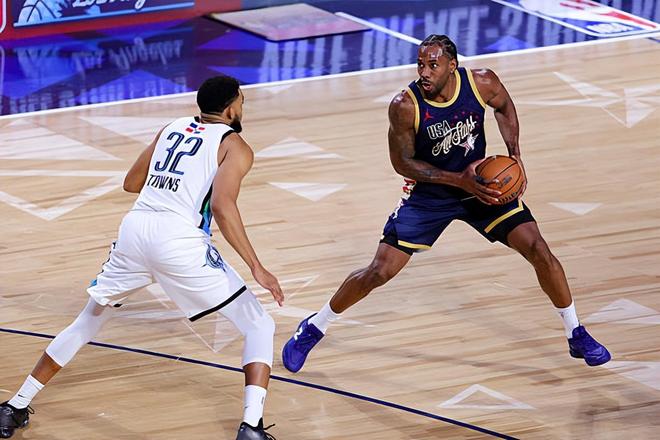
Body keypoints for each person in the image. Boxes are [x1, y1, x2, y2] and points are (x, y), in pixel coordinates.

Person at [282, 34, 610, 373]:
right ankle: (314, 327)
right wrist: (457, 180)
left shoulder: (481, 82)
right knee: (379, 271)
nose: (424, 72)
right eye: (420, 64)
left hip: (481, 186)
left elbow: (504, 105)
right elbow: (402, 162)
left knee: (539, 250)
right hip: (430, 195)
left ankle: (575, 332)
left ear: (452, 65)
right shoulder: (405, 105)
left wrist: (515, 155)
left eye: (433, 65)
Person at [1, 75, 282, 440]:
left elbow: (132, 183)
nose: (242, 107)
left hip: (134, 232)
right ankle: (251, 427)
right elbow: (222, 206)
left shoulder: (172, 127)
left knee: (89, 320)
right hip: (178, 241)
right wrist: (257, 267)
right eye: (241, 101)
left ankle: (14, 405)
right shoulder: (235, 146)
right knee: (259, 325)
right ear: (230, 109)